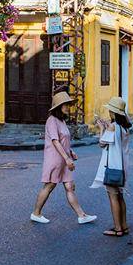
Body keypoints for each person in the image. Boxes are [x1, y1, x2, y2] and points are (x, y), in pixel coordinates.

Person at [30, 92, 97, 225]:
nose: (68, 107)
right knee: (49, 186)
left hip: (64, 158)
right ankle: (36, 213)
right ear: (58, 106)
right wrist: (67, 158)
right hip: (55, 159)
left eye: (68, 104)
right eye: (65, 105)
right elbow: (55, 141)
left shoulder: (62, 121)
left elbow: (63, 140)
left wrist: (71, 152)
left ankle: (81, 215)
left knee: (69, 186)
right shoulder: (52, 121)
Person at [92, 96, 131, 237]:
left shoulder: (113, 127)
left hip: (113, 167)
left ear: (113, 113)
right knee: (120, 196)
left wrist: (101, 128)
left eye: (110, 111)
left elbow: (102, 143)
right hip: (122, 168)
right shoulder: (124, 128)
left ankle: (117, 228)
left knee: (113, 196)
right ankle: (124, 226)